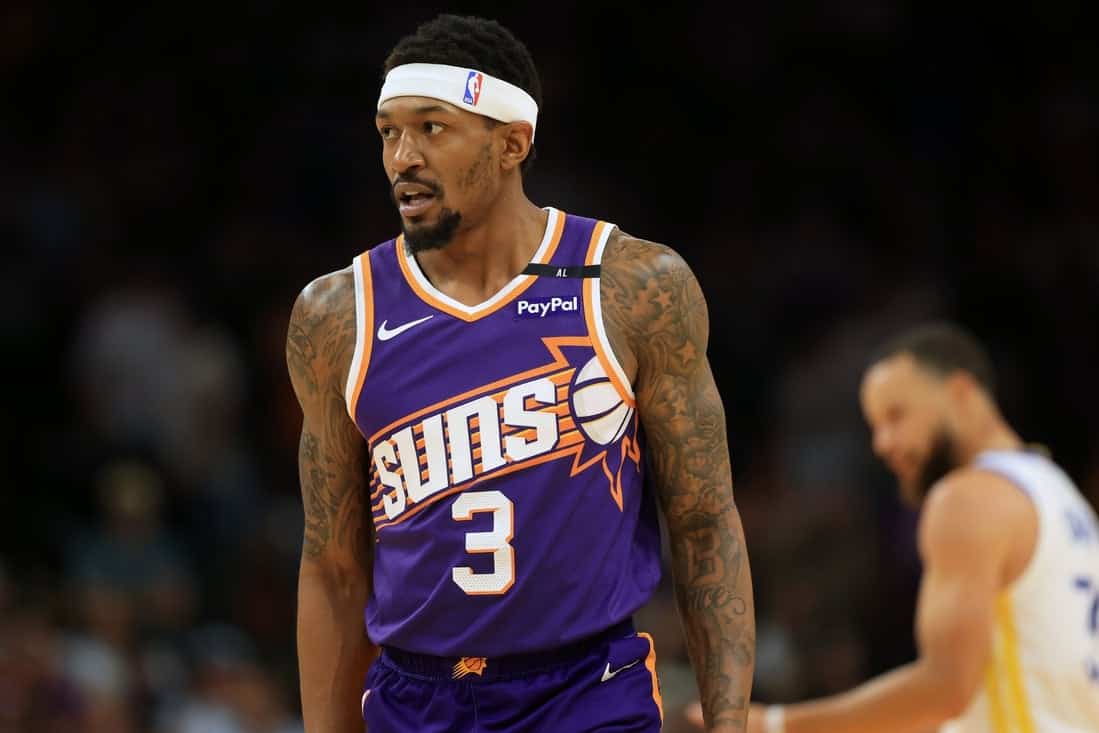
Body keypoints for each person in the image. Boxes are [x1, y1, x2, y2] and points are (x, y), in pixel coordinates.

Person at [285, 13, 755, 733]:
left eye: (431, 128)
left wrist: (729, 722)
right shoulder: (337, 314)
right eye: (388, 132)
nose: (402, 157)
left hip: (585, 690)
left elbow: (701, 520)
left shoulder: (629, 285)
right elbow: (333, 566)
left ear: (512, 143)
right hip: (414, 696)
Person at [687, 321, 1099, 733]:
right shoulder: (1059, 494)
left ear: (961, 392)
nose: (882, 443)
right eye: (875, 426)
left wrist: (775, 724)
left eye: (897, 416)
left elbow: (944, 692)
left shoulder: (969, 498)